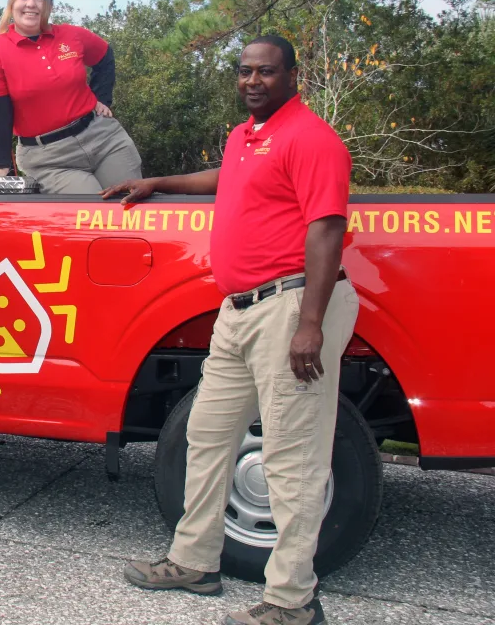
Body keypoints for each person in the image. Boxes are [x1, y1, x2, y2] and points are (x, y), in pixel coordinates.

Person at [107, 35, 359, 625]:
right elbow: (227, 179)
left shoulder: (312, 139)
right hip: (239, 309)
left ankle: (293, 601)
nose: (252, 81)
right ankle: (196, 562)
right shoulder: (248, 136)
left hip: (291, 307)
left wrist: (310, 326)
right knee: (208, 433)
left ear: (293, 76)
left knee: (292, 459)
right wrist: (158, 182)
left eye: (266, 72)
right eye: (245, 71)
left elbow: (326, 230)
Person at [0, 0, 141, 192]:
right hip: (49, 159)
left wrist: (102, 98)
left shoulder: (71, 35)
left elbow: (105, 56)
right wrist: (0, 165)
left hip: (104, 138)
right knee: (93, 219)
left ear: (49, 5)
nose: (32, 4)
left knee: (130, 211)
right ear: (12, 3)